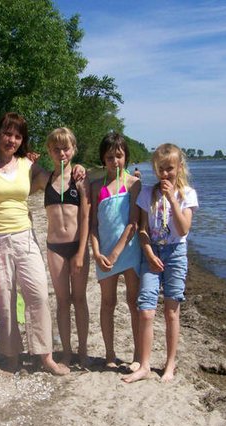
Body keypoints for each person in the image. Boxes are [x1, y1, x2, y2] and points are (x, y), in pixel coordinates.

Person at [0, 112, 83, 375]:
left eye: (17, 136)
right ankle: (11, 356)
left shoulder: (28, 165)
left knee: (38, 295)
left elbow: (56, 177)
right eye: (7, 134)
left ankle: (45, 355)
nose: (12, 140)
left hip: (25, 237)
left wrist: (78, 168)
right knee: (5, 301)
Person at [123, 143, 198, 383]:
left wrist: (172, 199)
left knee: (171, 311)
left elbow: (183, 229)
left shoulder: (187, 194)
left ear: (179, 167)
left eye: (170, 169)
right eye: (160, 169)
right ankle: (144, 365)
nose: (165, 174)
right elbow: (142, 229)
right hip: (152, 252)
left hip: (176, 252)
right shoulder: (147, 193)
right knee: (146, 310)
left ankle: (170, 363)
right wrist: (148, 252)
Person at [35, 127, 90, 368]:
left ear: (74, 149)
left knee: (79, 299)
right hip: (55, 247)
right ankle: (66, 351)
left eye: (66, 148)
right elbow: (20, 183)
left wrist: (81, 252)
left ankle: (83, 349)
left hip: (77, 246)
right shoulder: (44, 179)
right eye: (56, 149)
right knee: (62, 301)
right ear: (49, 151)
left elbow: (86, 217)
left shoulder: (80, 180)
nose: (61, 153)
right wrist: (29, 162)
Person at [89, 133, 142, 371]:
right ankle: (109, 353)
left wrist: (116, 253)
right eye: (110, 157)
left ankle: (138, 354)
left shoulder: (133, 184)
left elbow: (133, 223)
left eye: (119, 156)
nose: (115, 161)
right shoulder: (96, 187)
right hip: (104, 253)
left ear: (126, 157)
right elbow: (93, 225)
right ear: (103, 158)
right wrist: (96, 252)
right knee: (108, 303)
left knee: (133, 302)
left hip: (128, 251)